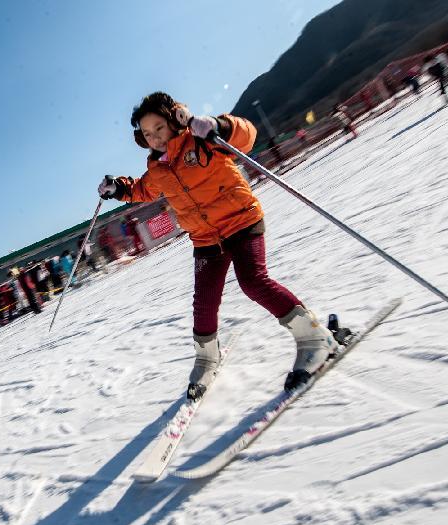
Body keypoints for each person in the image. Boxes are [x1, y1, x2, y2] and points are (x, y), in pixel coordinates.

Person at [98, 92, 337, 395]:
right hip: (205, 237)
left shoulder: (201, 137)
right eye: (147, 133)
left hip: (240, 220)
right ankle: (207, 357)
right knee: (204, 302)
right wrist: (118, 188)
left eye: (159, 128)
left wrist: (218, 126)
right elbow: (143, 190)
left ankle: (314, 338)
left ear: (174, 119)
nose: (155, 137)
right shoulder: (158, 168)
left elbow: (246, 136)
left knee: (254, 282)